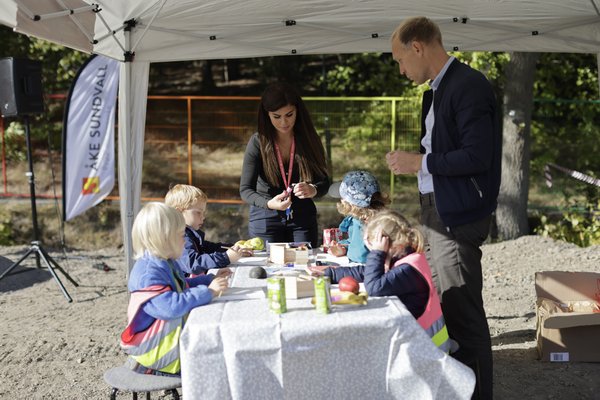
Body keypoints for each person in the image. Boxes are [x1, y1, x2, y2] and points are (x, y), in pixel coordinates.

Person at [386, 17, 501, 399]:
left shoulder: (468, 86)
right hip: (438, 212)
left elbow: (476, 155)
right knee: (447, 310)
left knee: (463, 315)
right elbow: (446, 153)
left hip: (457, 216)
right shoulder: (436, 91)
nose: (400, 70)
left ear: (417, 47)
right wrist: (422, 164)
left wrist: (419, 162)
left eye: (400, 59)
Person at [315, 210, 452, 353]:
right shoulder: (402, 257)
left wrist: (377, 254)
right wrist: (328, 273)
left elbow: (374, 288)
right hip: (417, 338)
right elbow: (365, 272)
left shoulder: (409, 269)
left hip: (427, 348)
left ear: (390, 244)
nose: (372, 252)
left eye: (373, 248)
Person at [120, 202, 230, 376]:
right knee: (216, 362)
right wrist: (208, 292)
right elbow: (171, 306)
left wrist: (210, 279)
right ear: (164, 239)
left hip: (167, 345)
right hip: (157, 353)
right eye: (180, 236)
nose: (184, 241)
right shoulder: (148, 274)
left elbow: (182, 286)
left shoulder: (164, 262)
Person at [239, 82, 330, 248]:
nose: (284, 123)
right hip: (265, 217)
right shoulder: (257, 142)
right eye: (276, 116)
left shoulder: (309, 139)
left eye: (289, 115)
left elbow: (325, 182)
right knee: (268, 269)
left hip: (302, 218)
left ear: (298, 111)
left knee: (303, 268)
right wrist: (269, 204)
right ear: (267, 115)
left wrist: (313, 189)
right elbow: (245, 190)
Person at [165, 184, 249, 275]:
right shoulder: (179, 236)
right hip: (186, 287)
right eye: (198, 212)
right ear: (179, 212)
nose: (203, 217)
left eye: (203, 213)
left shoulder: (190, 233)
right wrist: (226, 257)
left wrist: (232, 248)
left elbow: (206, 247)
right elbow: (193, 263)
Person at [326, 170, 390, 263]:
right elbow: (354, 242)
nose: (341, 200)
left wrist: (345, 251)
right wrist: (343, 247)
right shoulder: (365, 218)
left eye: (343, 198)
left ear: (352, 204)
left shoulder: (365, 223)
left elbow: (360, 255)